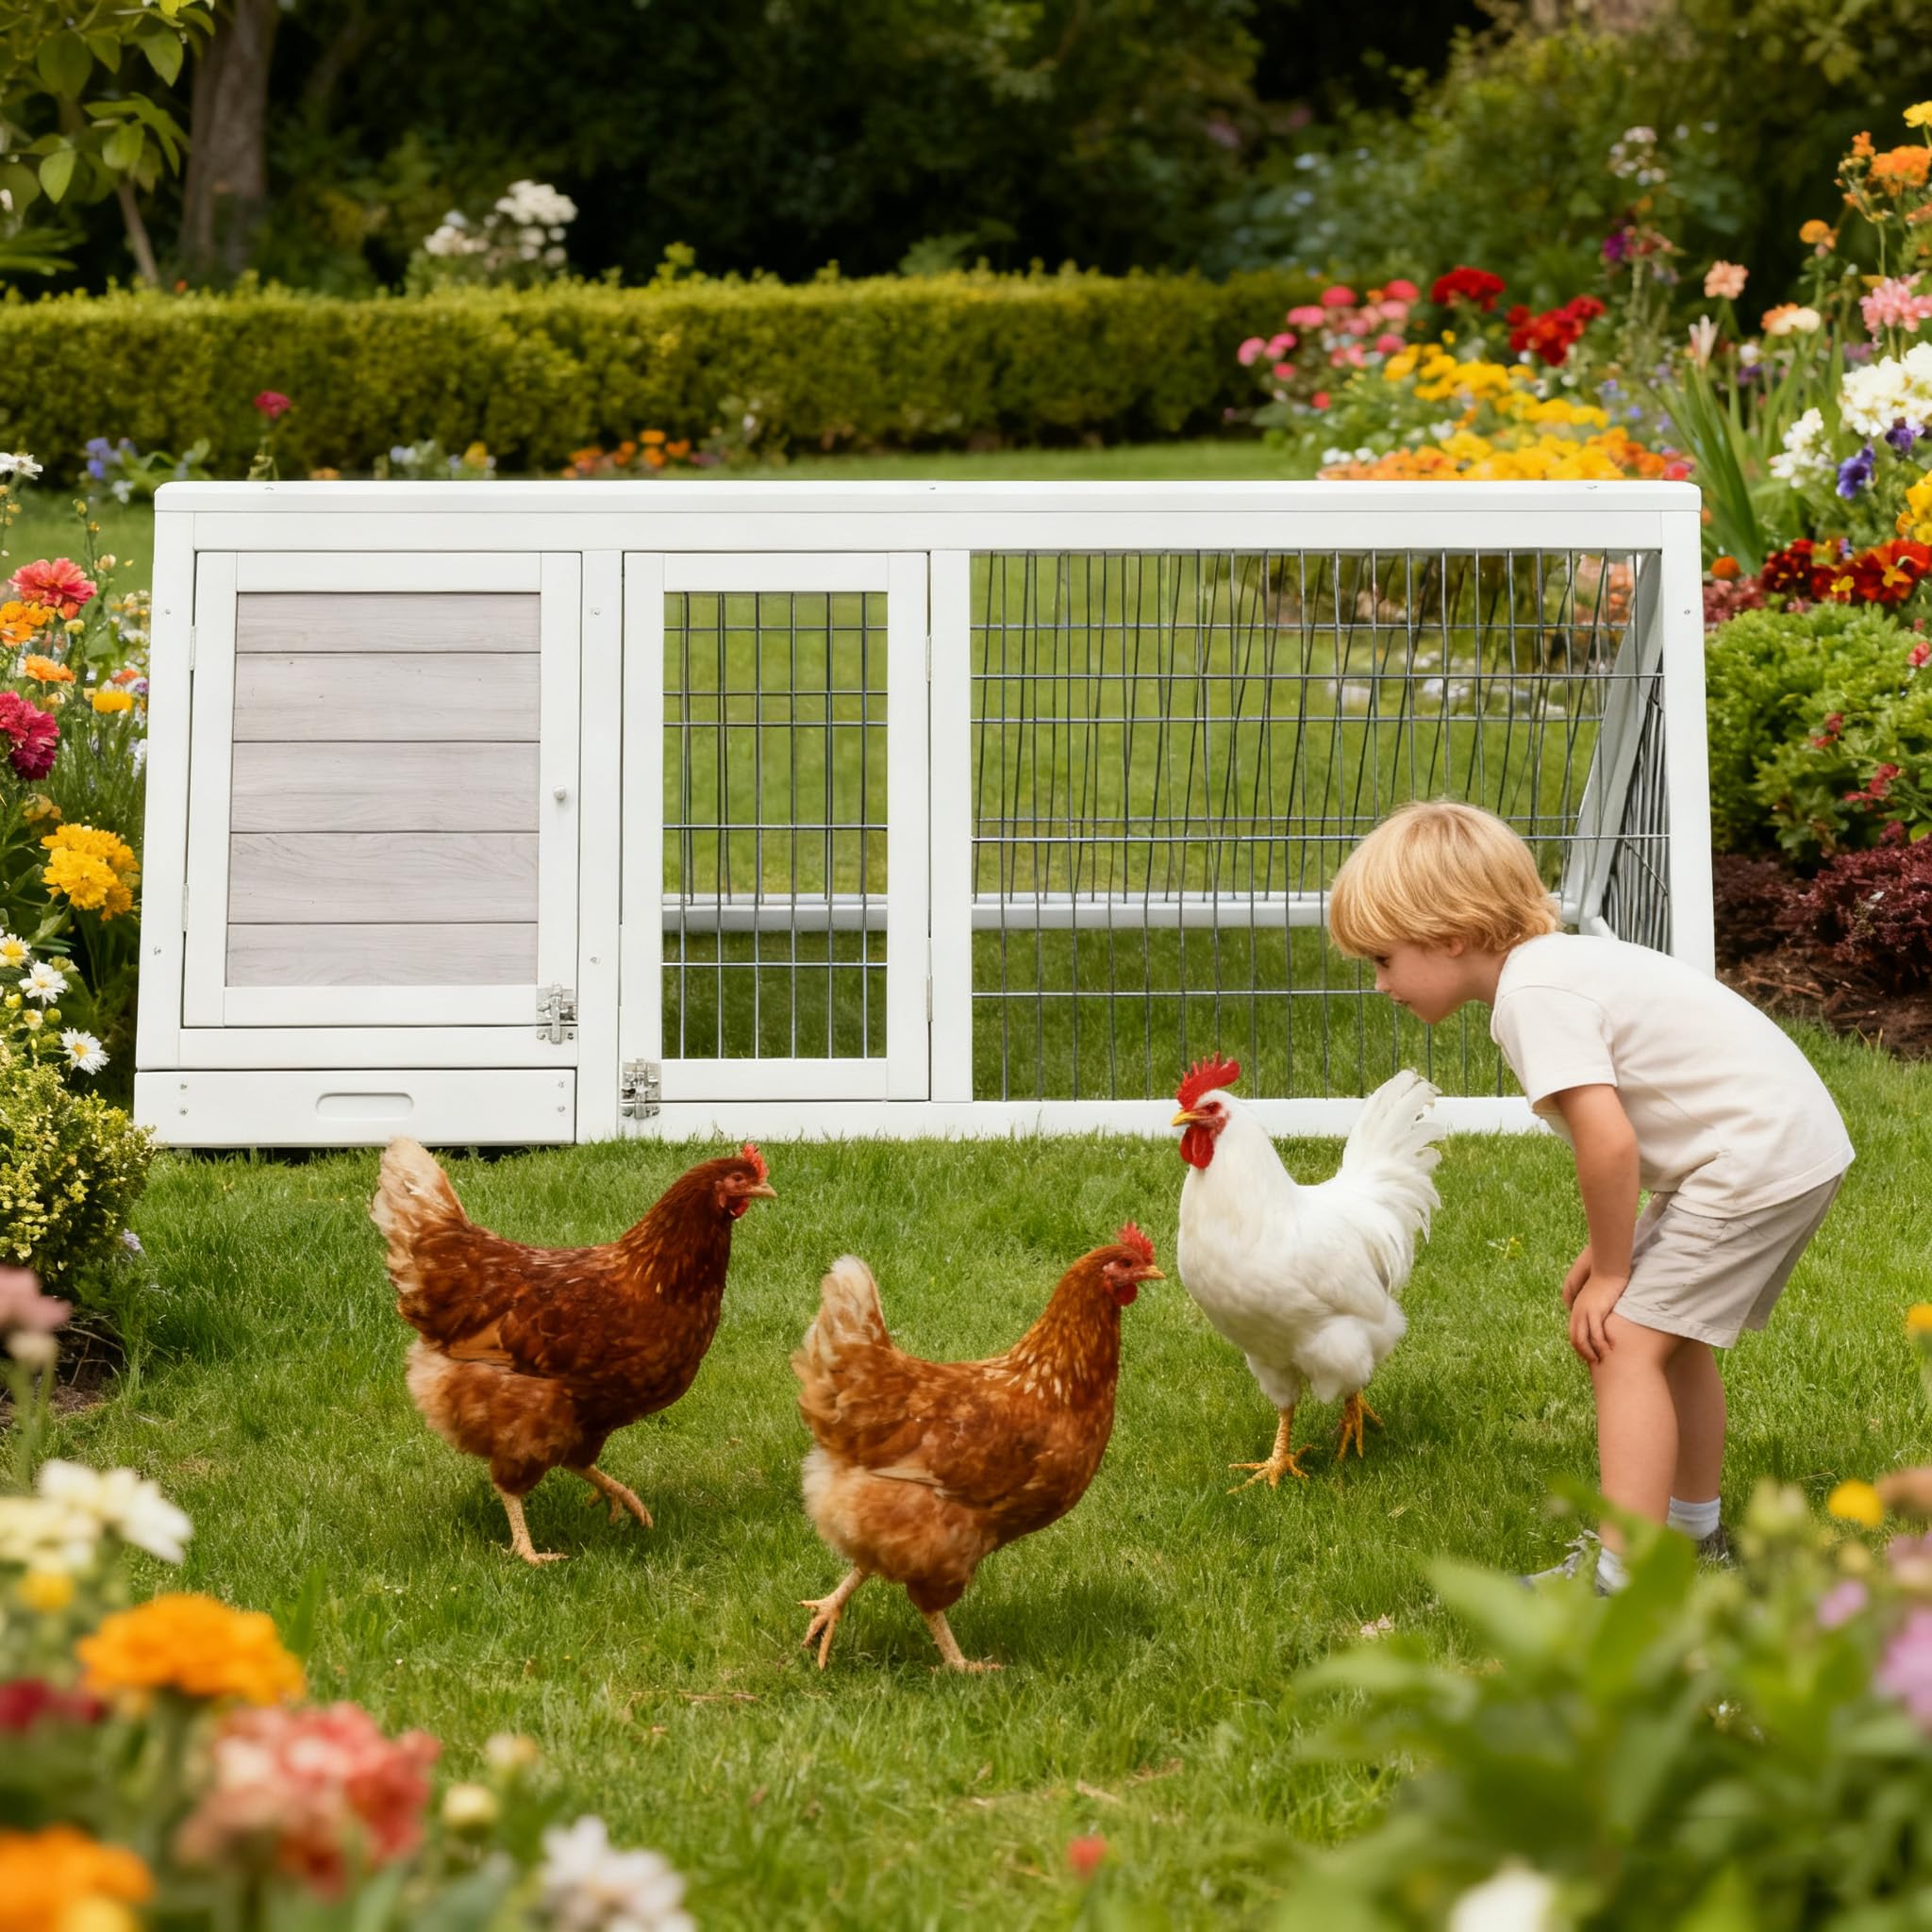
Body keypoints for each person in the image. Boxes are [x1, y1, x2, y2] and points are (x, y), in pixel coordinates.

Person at [1327, 800, 1853, 1591]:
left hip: (1752, 1158)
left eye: (1384, 959)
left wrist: (1614, 1272)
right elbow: (1653, 1124)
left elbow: (1610, 1143)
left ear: (1452, 936)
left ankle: (1625, 1579)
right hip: (1772, 1146)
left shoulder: (1533, 999)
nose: (1380, 984)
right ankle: (1690, 1539)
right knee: (1673, 1339)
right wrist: (1618, 1245)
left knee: (1624, 1346)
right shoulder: (1556, 970)